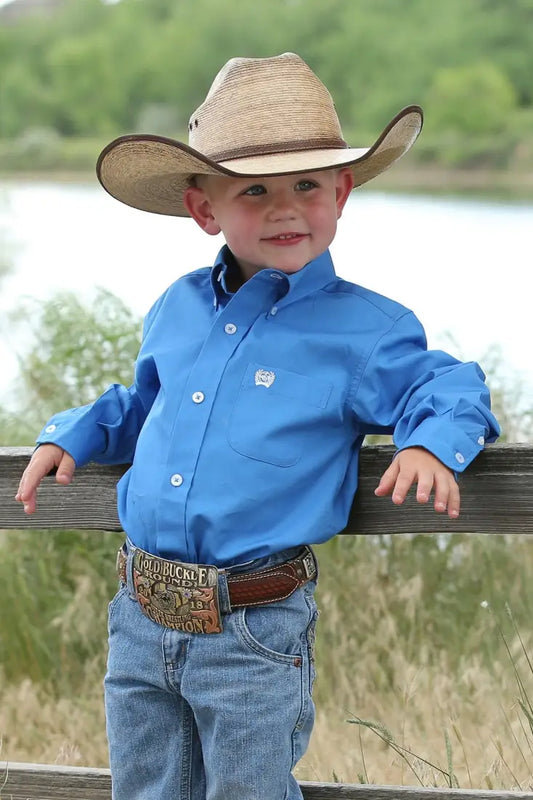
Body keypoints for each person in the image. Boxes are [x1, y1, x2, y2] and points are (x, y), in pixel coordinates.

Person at [16, 52, 499, 800]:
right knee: (143, 790)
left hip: (253, 627)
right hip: (140, 613)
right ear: (204, 209)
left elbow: (448, 384)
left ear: (340, 193)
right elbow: (143, 404)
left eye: (308, 185)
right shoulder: (178, 307)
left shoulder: (364, 332)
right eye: (254, 191)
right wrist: (70, 434)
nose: (285, 208)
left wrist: (432, 442)